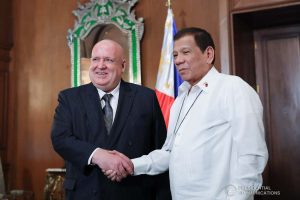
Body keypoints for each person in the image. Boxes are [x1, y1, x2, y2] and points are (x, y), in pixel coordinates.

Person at [105, 27, 269, 200]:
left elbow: (252, 157)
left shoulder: (233, 88)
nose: (178, 60)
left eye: (185, 52)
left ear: (209, 54)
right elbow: (169, 153)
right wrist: (130, 165)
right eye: (175, 55)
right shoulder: (180, 100)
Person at [51, 39, 171, 200]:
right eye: (95, 59)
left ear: (122, 66)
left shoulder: (146, 98)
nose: (100, 65)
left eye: (108, 60)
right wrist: (98, 155)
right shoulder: (69, 98)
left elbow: (161, 149)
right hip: (85, 193)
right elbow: (60, 139)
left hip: (134, 193)